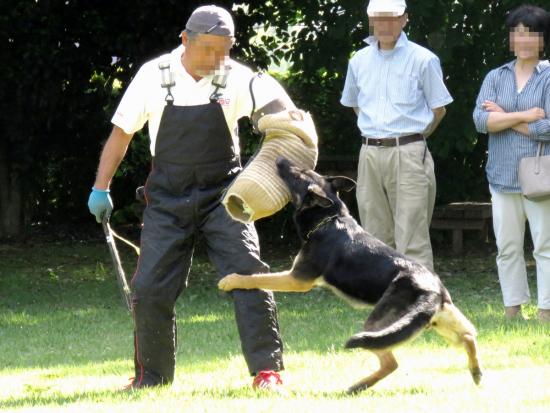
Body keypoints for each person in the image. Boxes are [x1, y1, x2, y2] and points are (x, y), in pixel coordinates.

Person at [87, 5, 297, 389]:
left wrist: (288, 124)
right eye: (209, 51)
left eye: (225, 51)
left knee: (248, 274)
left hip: (226, 197)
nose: (217, 60)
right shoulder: (153, 76)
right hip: (167, 198)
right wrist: (101, 187)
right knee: (149, 288)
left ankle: (267, 373)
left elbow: (280, 109)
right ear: (185, 40)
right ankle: (151, 377)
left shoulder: (236, 77)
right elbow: (122, 133)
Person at [340, 0, 453, 272]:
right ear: (371, 21)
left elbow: (439, 110)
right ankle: (384, 299)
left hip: (409, 151)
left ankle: (419, 302)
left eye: (392, 18)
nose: (385, 24)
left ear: (405, 19)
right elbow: (356, 105)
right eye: (379, 18)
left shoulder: (423, 59)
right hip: (369, 153)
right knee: (373, 232)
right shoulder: (358, 60)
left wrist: (410, 140)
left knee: (412, 235)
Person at [473, 4, 550, 322]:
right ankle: (512, 309)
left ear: (542, 39)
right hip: (502, 175)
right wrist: (523, 116)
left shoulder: (548, 77)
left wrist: (502, 117)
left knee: (545, 246)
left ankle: (546, 309)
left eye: (531, 33)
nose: (524, 40)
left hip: (540, 176)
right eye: (518, 33)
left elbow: (548, 127)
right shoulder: (496, 76)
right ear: (510, 39)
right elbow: (480, 120)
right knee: (507, 247)